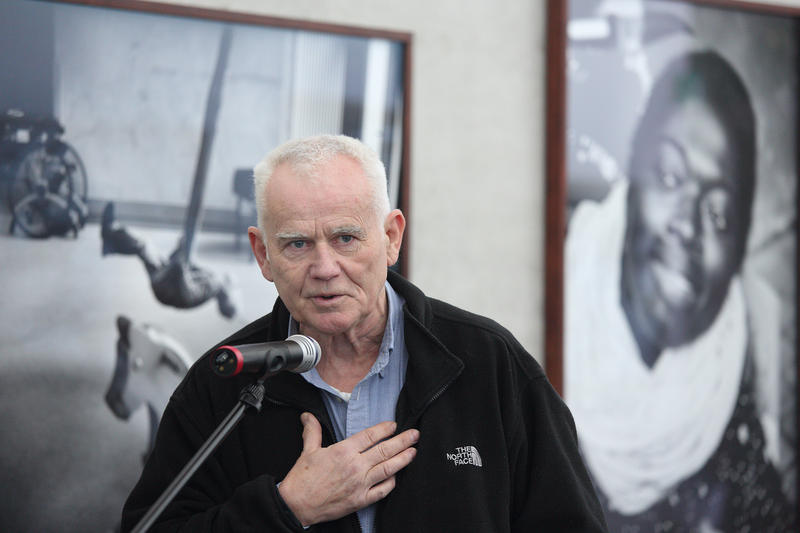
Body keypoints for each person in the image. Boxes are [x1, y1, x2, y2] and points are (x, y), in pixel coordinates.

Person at [120, 134, 608, 532]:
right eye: (296, 244)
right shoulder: (221, 384)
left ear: (391, 237)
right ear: (263, 254)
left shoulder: (490, 364)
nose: (325, 267)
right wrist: (287, 508)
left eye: (345, 238)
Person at [565, 50, 795, 531]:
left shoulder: (735, 382)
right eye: (670, 177)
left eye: (718, 214)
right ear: (632, 177)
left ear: (739, 249)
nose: (688, 226)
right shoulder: (543, 312)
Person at [101, 202, 237, 318]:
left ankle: (111, 234)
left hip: (165, 288)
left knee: (143, 246)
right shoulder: (213, 282)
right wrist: (180, 250)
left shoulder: (213, 286)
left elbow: (188, 293)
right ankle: (111, 242)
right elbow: (188, 266)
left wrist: (180, 264)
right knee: (144, 246)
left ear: (227, 298)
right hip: (166, 286)